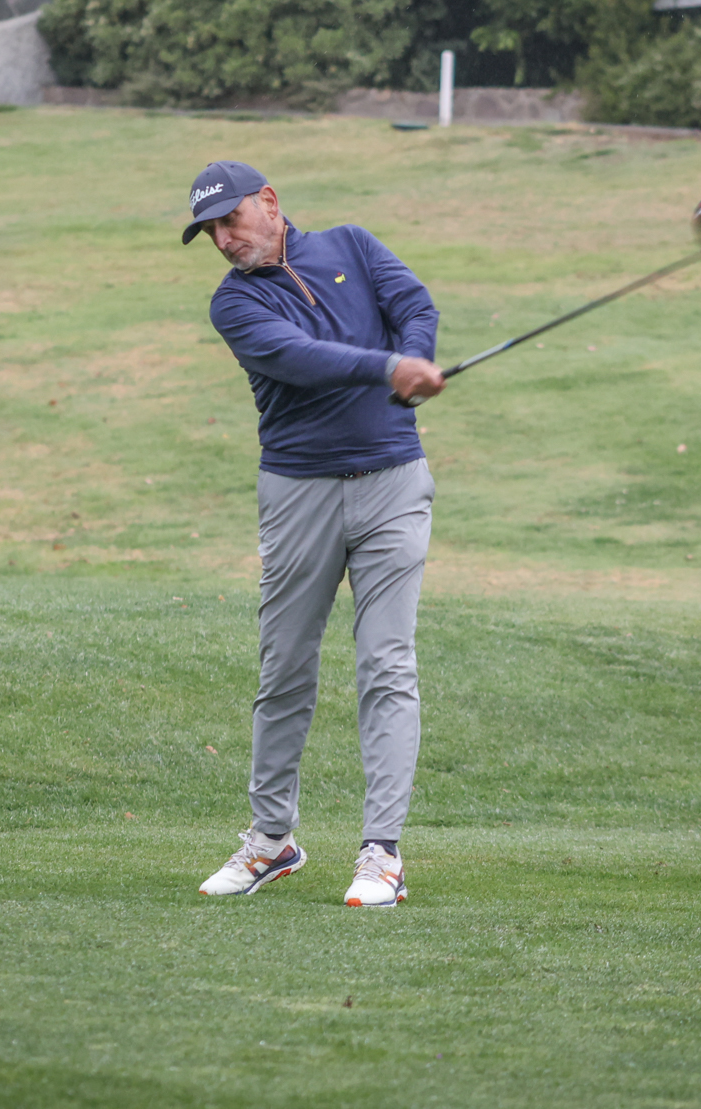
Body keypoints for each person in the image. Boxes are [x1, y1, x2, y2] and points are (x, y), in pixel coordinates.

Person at [183, 161, 445, 906]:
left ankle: (382, 853)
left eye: (231, 219)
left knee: (387, 663)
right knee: (286, 667)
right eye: (211, 231)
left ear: (268, 202)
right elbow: (302, 361)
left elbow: (413, 303)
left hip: (394, 482)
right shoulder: (234, 304)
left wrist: (416, 356)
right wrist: (390, 366)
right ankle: (272, 839)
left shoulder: (352, 246)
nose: (224, 239)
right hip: (299, 492)